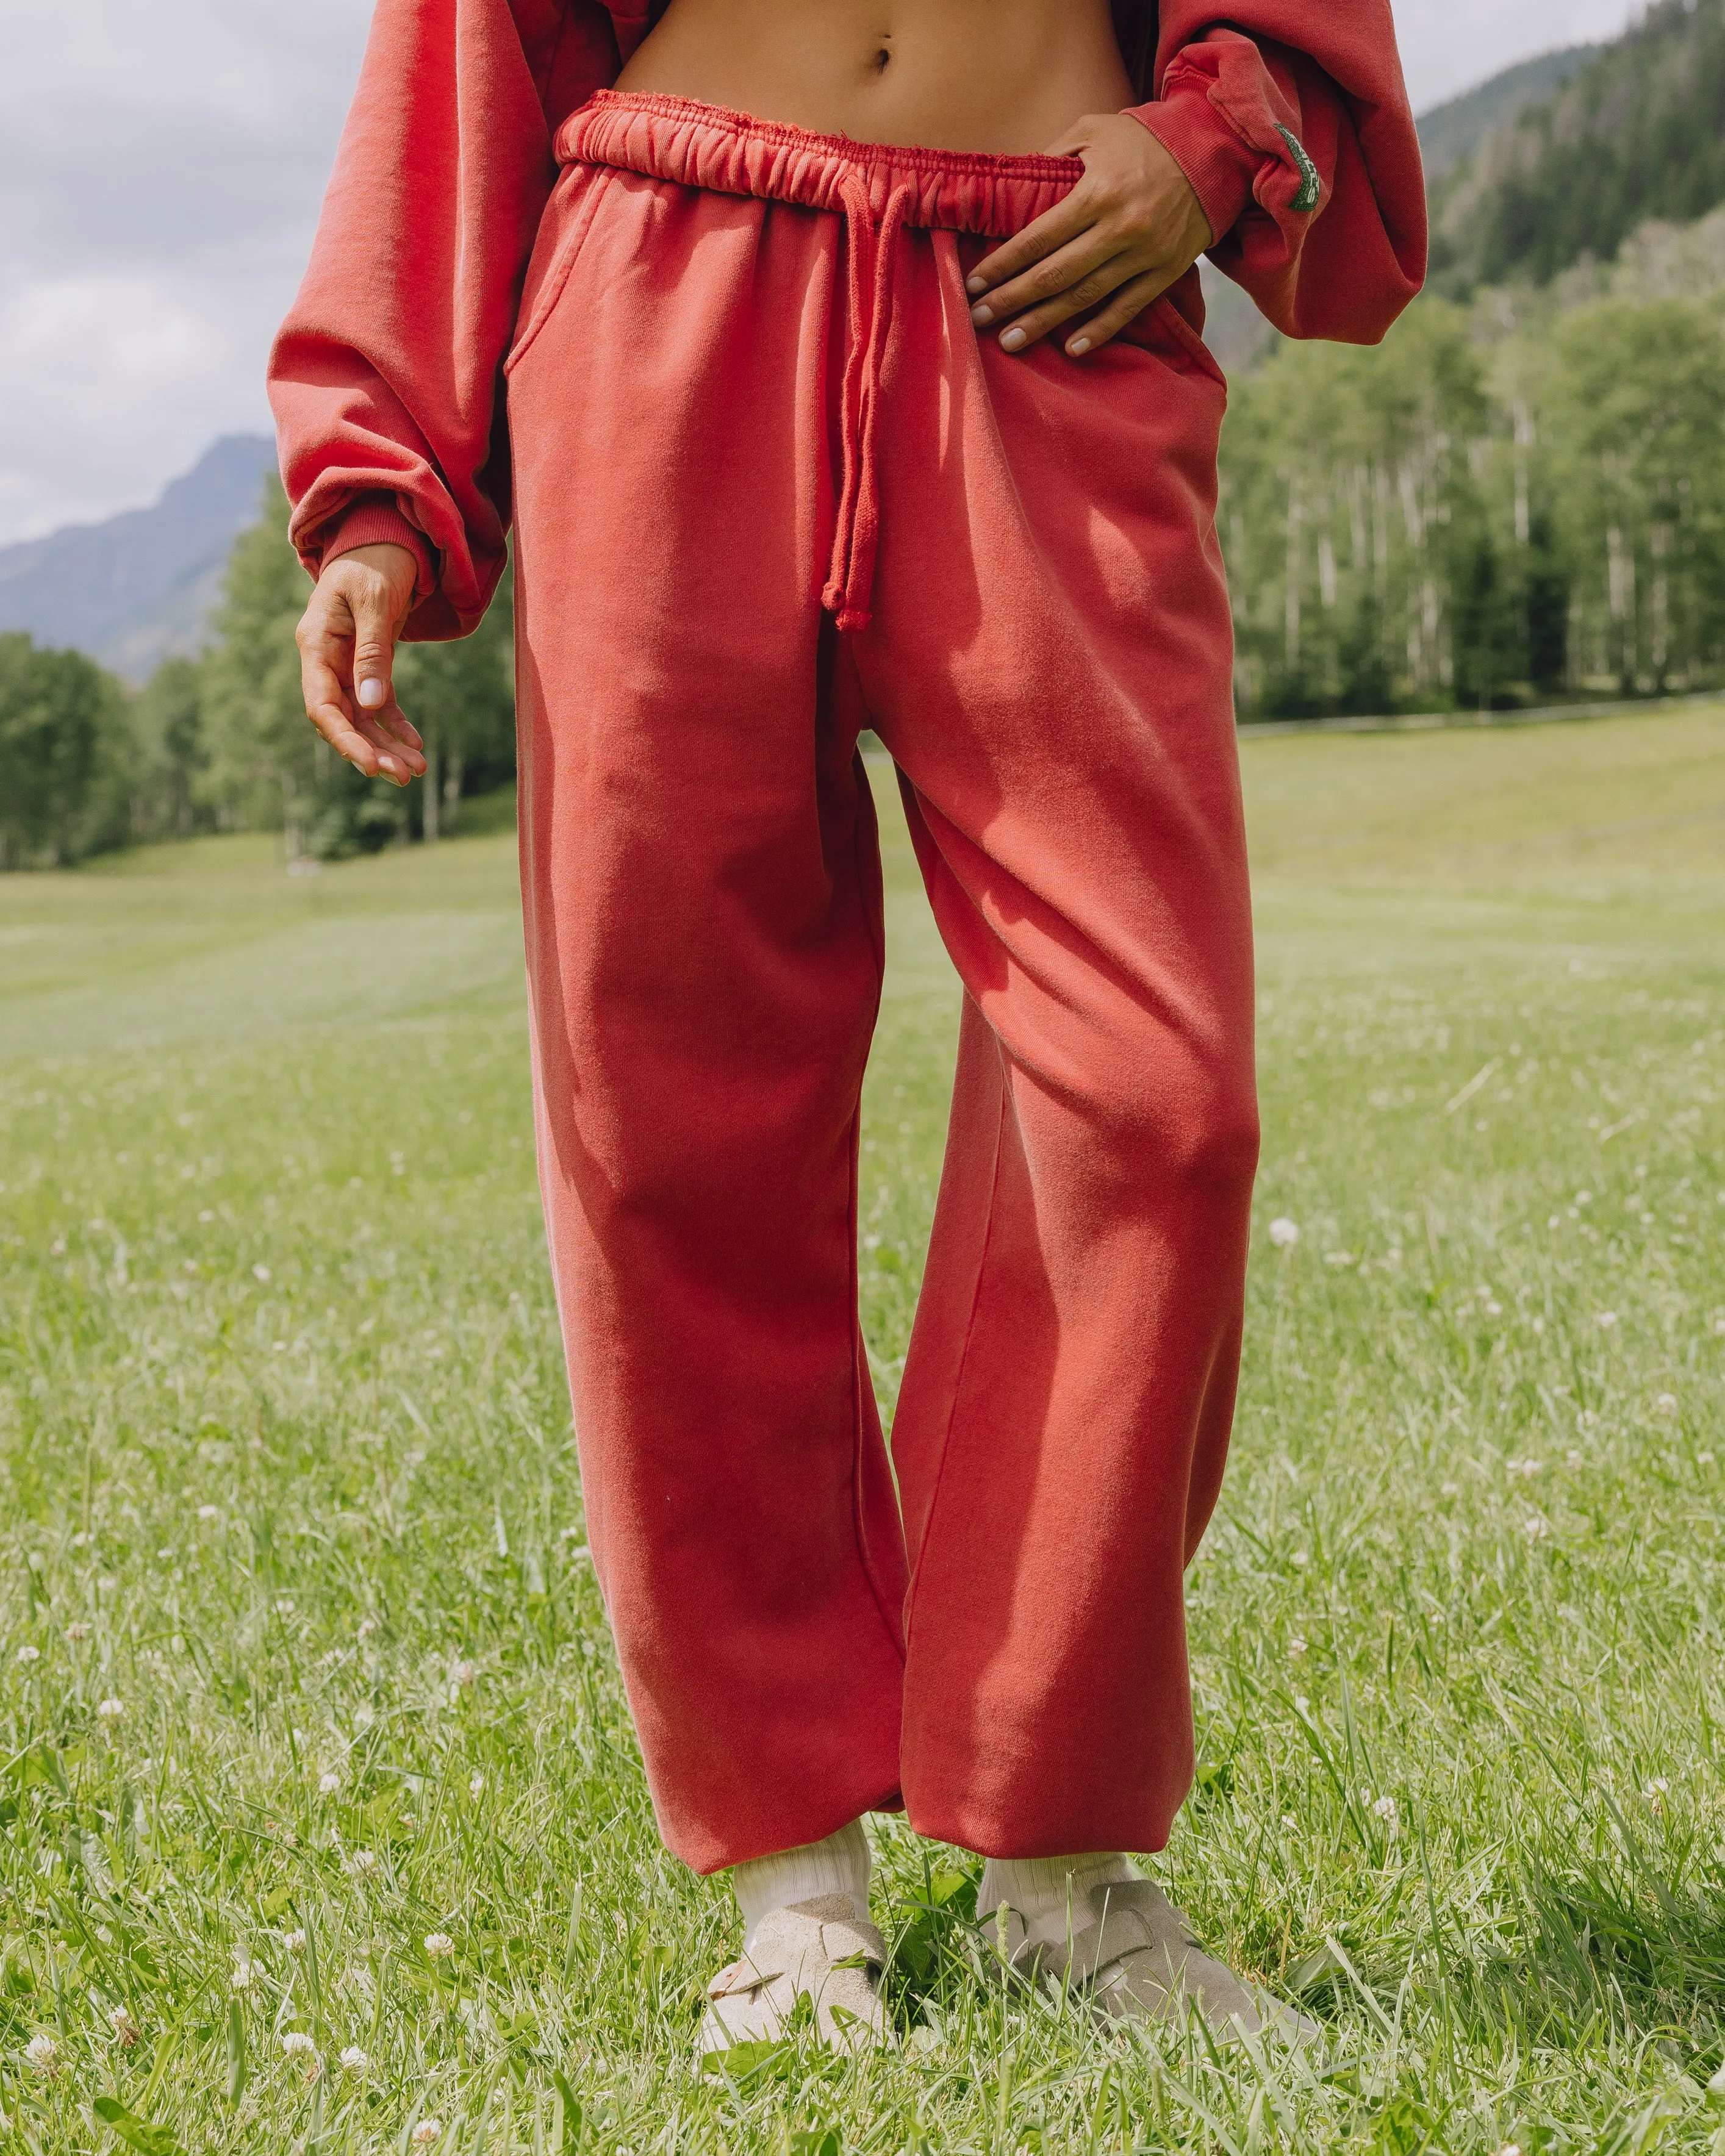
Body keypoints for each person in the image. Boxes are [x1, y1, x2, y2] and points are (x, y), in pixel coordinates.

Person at [272, 0, 1424, 2054]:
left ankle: (1061, 1860)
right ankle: (793, 1883)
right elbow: (460, 44)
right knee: (663, 1112)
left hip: (1048, 284)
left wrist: (1207, 144)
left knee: (1152, 1098)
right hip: (663, 284)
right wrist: (378, 474)